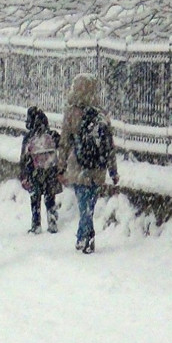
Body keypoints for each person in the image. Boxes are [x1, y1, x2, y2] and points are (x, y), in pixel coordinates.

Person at [57, 73, 120, 254]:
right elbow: (109, 145)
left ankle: (84, 236)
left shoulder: (71, 113)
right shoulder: (102, 114)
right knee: (90, 203)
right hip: (97, 168)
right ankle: (85, 234)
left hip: (78, 166)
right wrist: (113, 170)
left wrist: (61, 167)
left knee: (83, 202)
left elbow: (64, 143)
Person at [19, 106, 62, 234]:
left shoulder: (29, 137)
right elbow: (63, 147)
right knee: (50, 197)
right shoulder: (52, 135)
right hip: (50, 170)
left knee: (35, 198)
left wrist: (24, 174)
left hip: (34, 171)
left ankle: (36, 224)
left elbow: (24, 157)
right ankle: (52, 222)